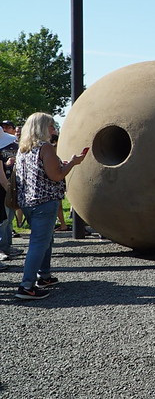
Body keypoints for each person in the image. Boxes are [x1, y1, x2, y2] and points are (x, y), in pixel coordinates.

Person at [14, 113, 88, 299]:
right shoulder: (46, 148)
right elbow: (56, 176)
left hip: (27, 202)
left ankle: (44, 275)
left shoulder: (22, 149)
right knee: (39, 243)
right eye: (51, 126)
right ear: (41, 128)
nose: (54, 129)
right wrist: (72, 163)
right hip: (44, 202)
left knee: (45, 240)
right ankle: (27, 286)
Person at [0, 128, 20, 261]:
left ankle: (7, 246)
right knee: (4, 221)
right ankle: (3, 247)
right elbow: (1, 177)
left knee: (8, 219)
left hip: (8, 186)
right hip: (5, 188)